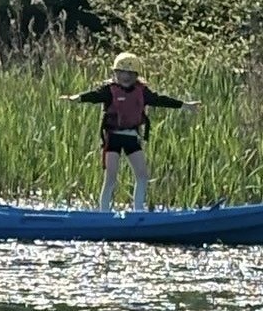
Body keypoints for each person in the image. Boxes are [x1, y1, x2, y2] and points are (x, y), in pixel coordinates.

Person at [60, 52, 200, 212]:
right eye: (121, 73)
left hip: (132, 137)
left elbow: (160, 99)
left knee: (142, 176)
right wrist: (76, 98)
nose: (125, 77)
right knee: (110, 178)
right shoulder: (109, 91)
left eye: (130, 74)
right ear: (116, 73)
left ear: (136, 75)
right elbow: (93, 96)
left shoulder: (142, 91)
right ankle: (104, 214)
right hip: (112, 138)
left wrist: (185, 105)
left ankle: (138, 212)